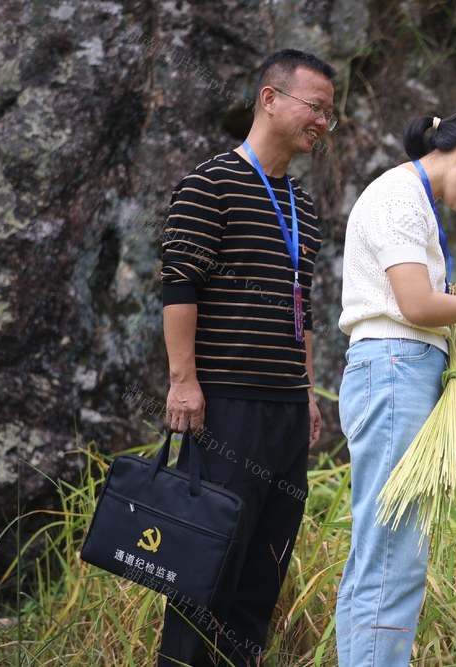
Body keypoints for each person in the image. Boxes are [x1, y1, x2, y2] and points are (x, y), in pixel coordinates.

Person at [158, 48, 334, 665]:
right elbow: (179, 286)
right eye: (314, 107)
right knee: (206, 559)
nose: (321, 122)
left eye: (328, 115)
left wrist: (307, 394)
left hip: (285, 409)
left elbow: (300, 308)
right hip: (224, 404)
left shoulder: (301, 207)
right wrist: (184, 383)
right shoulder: (208, 183)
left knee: (265, 563)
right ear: (269, 98)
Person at [336, 104, 456, 666]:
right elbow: (417, 305)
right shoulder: (399, 197)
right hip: (395, 367)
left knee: (381, 550)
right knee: (395, 554)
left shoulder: (411, 198)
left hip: (398, 371)